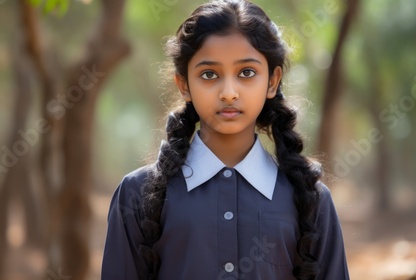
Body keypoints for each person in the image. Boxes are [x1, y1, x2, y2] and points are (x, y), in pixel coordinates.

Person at [101, 0, 349, 279]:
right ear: (183, 84)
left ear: (272, 81)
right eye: (209, 74)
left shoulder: (311, 200)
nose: (229, 92)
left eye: (246, 73)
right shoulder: (136, 194)